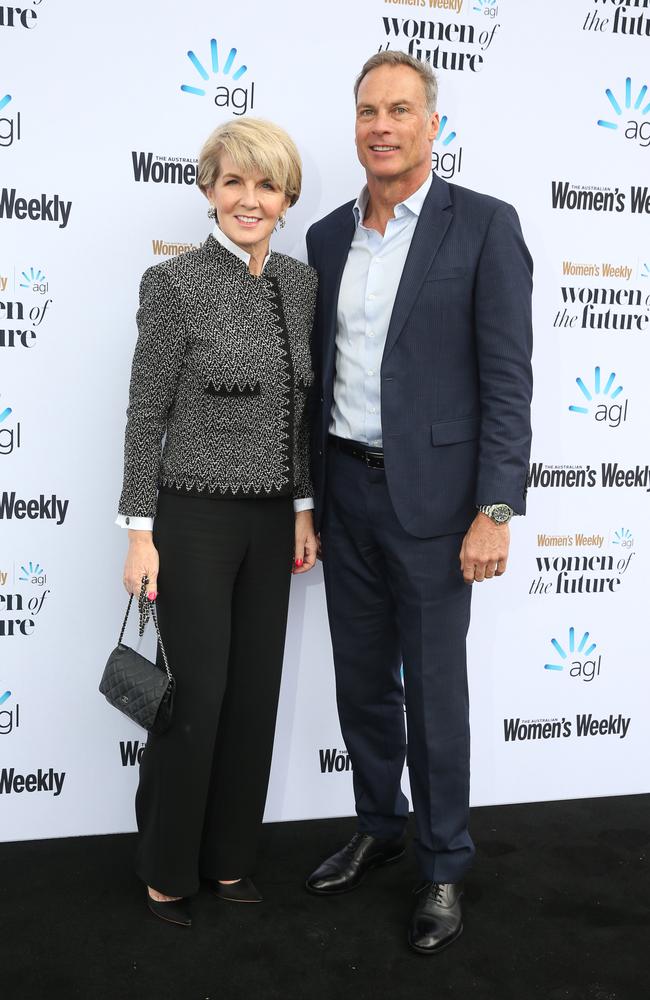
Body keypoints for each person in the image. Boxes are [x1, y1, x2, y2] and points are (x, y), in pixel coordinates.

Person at [305, 51, 533, 954]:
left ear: (432, 124)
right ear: (355, 123)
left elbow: (508, 383)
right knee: (360, 682)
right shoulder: (325, 236)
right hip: (345, 493)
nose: (382, 126)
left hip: (439, 507)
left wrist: (497, 508)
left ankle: (443, 864)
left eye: (400, 109)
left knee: (435, 694)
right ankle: (380, 822)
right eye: (368, 110)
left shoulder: (482, 226)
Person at [116, 117, 318, 927]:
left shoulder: (301, 284)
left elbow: (300, 411)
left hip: (273, 526)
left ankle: (230, 859)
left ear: (286, 197)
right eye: (233, 181)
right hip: (191, 521)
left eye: (266, 184)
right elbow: (144, 411)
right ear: (207, 191)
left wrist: (303, 509)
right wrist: (140, 530)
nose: (249, 198)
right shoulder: (173, 286)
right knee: (192, 699)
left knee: (253, 698)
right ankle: (166, 868)